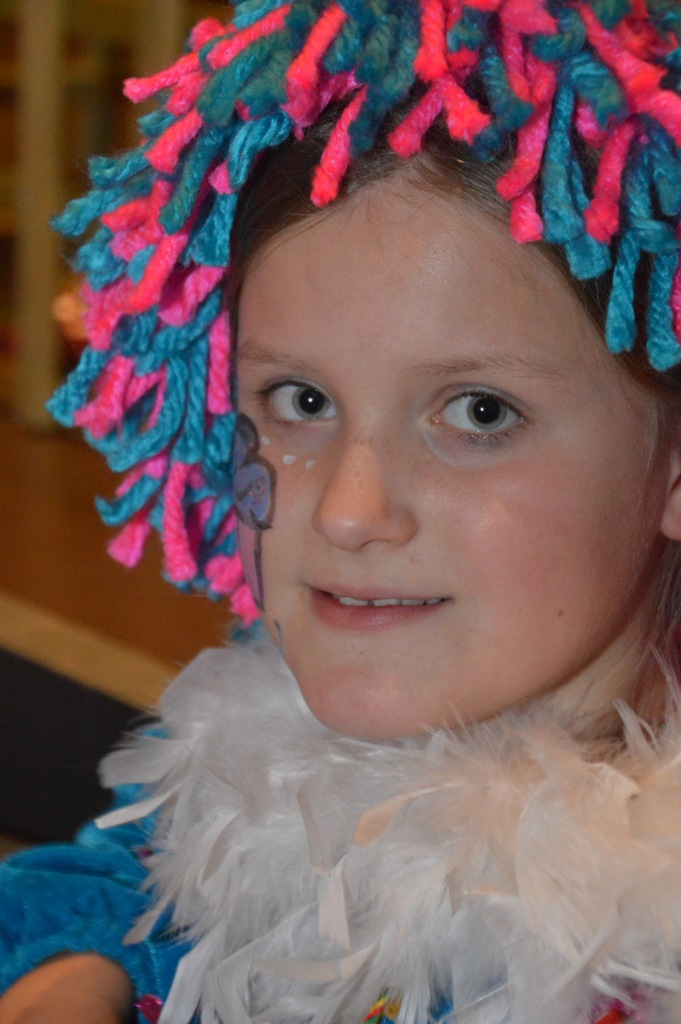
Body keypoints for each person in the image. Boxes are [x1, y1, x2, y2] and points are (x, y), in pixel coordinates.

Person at [4, 1, 681, 1022]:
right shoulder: (260, 756)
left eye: (478, 412)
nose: (349, 512)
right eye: (303, 401)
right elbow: (120, 878)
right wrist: (72, 972)